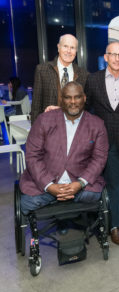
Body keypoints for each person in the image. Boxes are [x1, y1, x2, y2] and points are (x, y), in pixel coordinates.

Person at [20, 82, 108, 215]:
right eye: (68, 97)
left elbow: (99, 159)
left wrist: (80, 183)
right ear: (61, 99)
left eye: (77, 97)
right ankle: (59, 201)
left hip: (79, 184)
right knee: (28, 202)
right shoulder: (44, 120)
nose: (73, 102)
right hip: (48, 181)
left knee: (93, 195)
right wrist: (49, 186)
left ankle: (62, 204)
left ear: (84, 98)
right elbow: (33, 156)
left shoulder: (97, 124)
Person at [85, 42, 119, 246]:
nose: (117, 58)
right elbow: (87, 109)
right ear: (106, 57)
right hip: (104, 142)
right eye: (112, 54)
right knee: (115, 184)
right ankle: (114, 225)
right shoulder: (93, 80)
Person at [31, 34, 88, 123]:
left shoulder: (84, 74)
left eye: (72, 48)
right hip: (49, 127)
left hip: (74, 127)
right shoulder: (42, 70)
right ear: (58, 47)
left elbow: (86, 106)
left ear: (76, 51)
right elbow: (36, 106)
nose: (68, 51)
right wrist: (36, 132)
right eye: (65, 46)